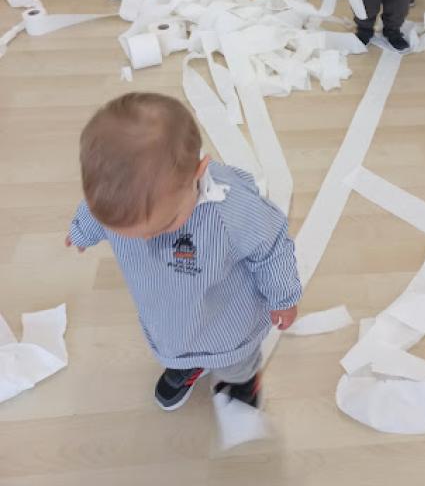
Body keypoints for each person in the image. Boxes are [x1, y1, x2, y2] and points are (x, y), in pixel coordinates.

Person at [66, 92, 301, 411]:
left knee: (236, 364)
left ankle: (242, 383)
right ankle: (185, 365)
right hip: (168, 315)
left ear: (198, 173)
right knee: (176, 347)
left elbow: (272, 249)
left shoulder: (232, 210)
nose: (148, 240)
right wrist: (83, 230)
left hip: (226, 320)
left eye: (164, 225)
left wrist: (283, 297)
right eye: (127, 232)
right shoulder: (116, 198)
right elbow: (95, 212)